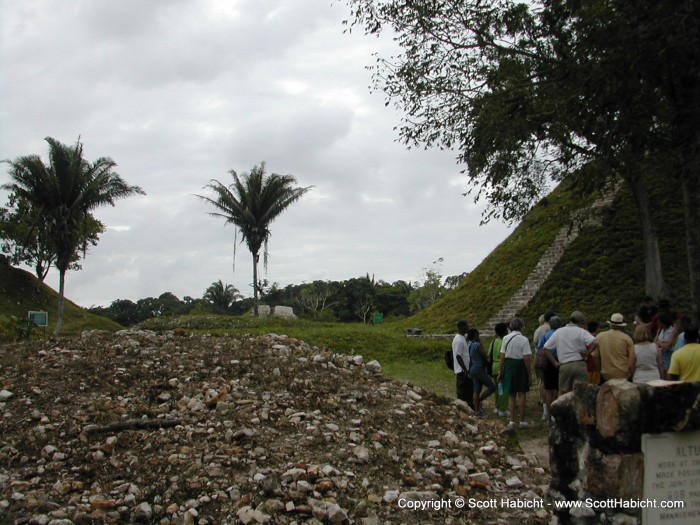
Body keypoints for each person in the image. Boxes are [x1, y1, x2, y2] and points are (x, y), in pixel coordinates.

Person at [544, 310, 596, 396]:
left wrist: (555, 363)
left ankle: (560, 409)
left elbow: (546, 348)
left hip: (565, 365)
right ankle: (580, 409)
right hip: (580, 365)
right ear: (580, 323)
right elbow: (596, 342)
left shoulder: (559, 331)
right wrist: (587, 353)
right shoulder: (581, 331)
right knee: (582, 393)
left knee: (562, 392)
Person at [498, 317, 532, 430]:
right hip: (520, 365)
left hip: (509, 365)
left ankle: (512, 420)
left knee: (511, 394)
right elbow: (526, 358)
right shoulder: (524, 339)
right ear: (521, 327)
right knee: (522, 393)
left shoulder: (505, 338)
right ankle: (522, 420)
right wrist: (529, 374)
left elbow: (502, 357)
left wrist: (500, 371)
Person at [591, 313, 635, 382]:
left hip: (606, 375)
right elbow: (631, 361)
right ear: (622, 326)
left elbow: (594, 356)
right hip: (623, 375)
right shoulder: (627, 338)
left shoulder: (600, 336)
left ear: (610, 324)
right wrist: (632, 374)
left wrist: (600, 369)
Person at [538, 316, 562, 427]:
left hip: (548, 362)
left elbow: (540, 349)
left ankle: (548, 417)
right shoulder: (562, 334)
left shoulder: (546, 335)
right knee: (560, 390)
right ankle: (558, 415)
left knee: (549, 390)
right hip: (561, 361)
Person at [467, 328, 496, 418]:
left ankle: (477, 410)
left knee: (476, 390)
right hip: (479, 369)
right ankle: (479, 401)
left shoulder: (469, 344)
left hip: (473, 368)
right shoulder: (477, 344)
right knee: (492, 387)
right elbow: (485, 355)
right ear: (475, 335)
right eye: (478, 334)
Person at [488, 322, 509, 416]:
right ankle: (503, 408)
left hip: (494, 366)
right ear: (505, 331)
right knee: (504, 388)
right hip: (502, 366)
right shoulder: (504, 341)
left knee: (498, 388)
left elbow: (489, 355)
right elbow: (503, 356)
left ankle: (497, 406)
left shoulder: (494, 341)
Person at [452, 320, 475, 409]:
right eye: (466, 326)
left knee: (468, 391)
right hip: (462, 371)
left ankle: (469, 407)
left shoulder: (462, 338)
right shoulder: (458, 340)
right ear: (461, 327)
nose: (468, 328)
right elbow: (458, 356)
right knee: (463, 392)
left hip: (464, 369)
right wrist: (465, 370)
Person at [586, 321, 601, 385]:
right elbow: (595, 355)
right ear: (596, 328)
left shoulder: (585, 337)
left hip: (586, 367)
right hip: (594, 368)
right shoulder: (596, 339)